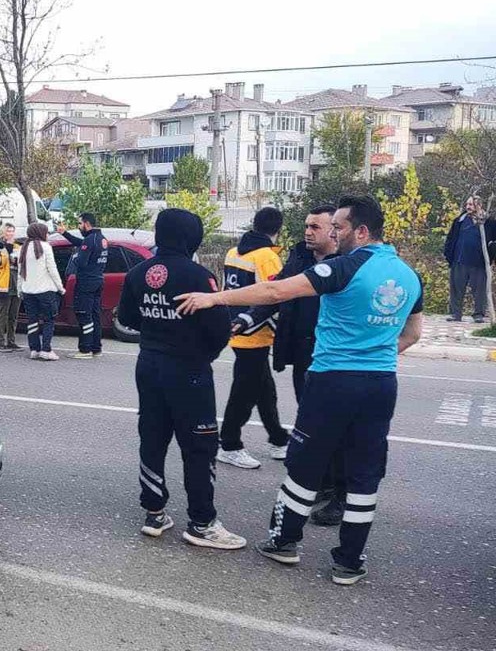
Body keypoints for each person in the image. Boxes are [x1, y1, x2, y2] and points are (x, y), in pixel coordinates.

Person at [176, 195, 423, 586]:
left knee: (305, 462)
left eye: (339, 227)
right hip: (380, 383)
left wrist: (215, 297)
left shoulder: (343, 267)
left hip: (332, 381)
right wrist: (373, 354)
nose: (333, 234)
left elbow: (275, 292)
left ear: (361, 231)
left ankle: (283, 542)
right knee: (364, 473)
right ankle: (349, 561)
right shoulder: (409, 275)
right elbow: (413, 333)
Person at [117, 208, 246, 550]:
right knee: (200, 445)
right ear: (192, 237)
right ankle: (202, 522)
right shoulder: (199, 277)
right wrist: (202, 352)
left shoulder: (138, 272)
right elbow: (219, 329)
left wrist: (157, 326)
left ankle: (154, 512)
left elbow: (127, 317)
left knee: (152, 436)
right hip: (189, 370)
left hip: (149, 365)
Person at [238, 205, 345, 525]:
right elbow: (275, 292)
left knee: (336, 428)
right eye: (307, 226)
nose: (307, 231)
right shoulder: (299, 257)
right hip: (303, 355)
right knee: (310, 422)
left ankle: (342, 495)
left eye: (315, 227)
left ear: (334, 231)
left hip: (336, 359)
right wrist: (247, 318)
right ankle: (325, 482)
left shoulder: (348, 264)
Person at [216, 207, 288, 470]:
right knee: (244, 393)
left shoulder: (233, 252)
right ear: (278, 228)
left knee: (264, 389)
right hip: (255, 332)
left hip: (236, 327)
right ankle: (229, 444)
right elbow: (274, 295)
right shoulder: (267, 257)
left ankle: (278, 438)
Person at [443, 195, 496, 323]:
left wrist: (491, 256)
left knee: (480, 291)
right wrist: (448, 255)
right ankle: (455, 314)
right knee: (456, 289)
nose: (468, 207)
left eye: (471, 204)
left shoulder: (488, 222)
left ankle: (478, 314)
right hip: (459, 260)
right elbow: (450, 239)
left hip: (479, 263)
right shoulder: (459, 221)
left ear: (479, 205)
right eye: (467, 204)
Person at [19, 223, 64, 361]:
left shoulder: (23, 248)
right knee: (49, 320)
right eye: (46, 232)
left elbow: (20, 271)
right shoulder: (46, 247)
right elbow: (52, 269)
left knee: (32, 320)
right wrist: (60, 287)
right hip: (45, 290)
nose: (48, 235)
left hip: (28, 290)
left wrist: (19, 288)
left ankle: (34, 349)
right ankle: (46, 349)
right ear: (40, 233)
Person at [68, 212, 107, 359]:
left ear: (86, 224)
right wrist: (64, 233)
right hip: (98, 280)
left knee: (84, 315)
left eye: (80, 223)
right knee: (95, 315)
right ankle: (96, 348)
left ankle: (85, 349)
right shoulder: (101, 238)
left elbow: (81, 262)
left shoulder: (89, 240)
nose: (79, 227)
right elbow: (81, 243)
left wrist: (75, 256)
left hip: (86, 282)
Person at [0, 223, 21, 352]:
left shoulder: (17, 246)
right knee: (2, 315)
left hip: (15, 283)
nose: (11, 234)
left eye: (12, 231)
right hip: (2, 285)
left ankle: (11, 341)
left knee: (13, 315)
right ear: (2, 232)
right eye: (8, 231)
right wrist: (9, 249)